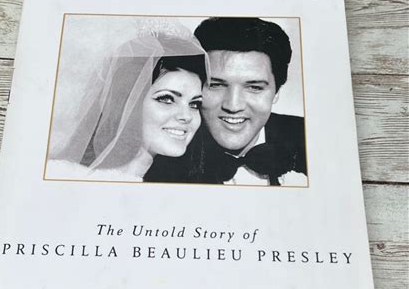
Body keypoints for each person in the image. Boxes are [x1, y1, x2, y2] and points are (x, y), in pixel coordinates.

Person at [145, 17, 307, 186]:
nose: (233, 106)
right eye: (216, 85)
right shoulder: (161, 162)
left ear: (276, 92)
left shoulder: (310, 138)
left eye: (254, 87)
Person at [46, 32, 208, 182]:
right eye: (166, 99)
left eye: (194, 104)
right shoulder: (63, 175)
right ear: (127, 102)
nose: (187, 116)